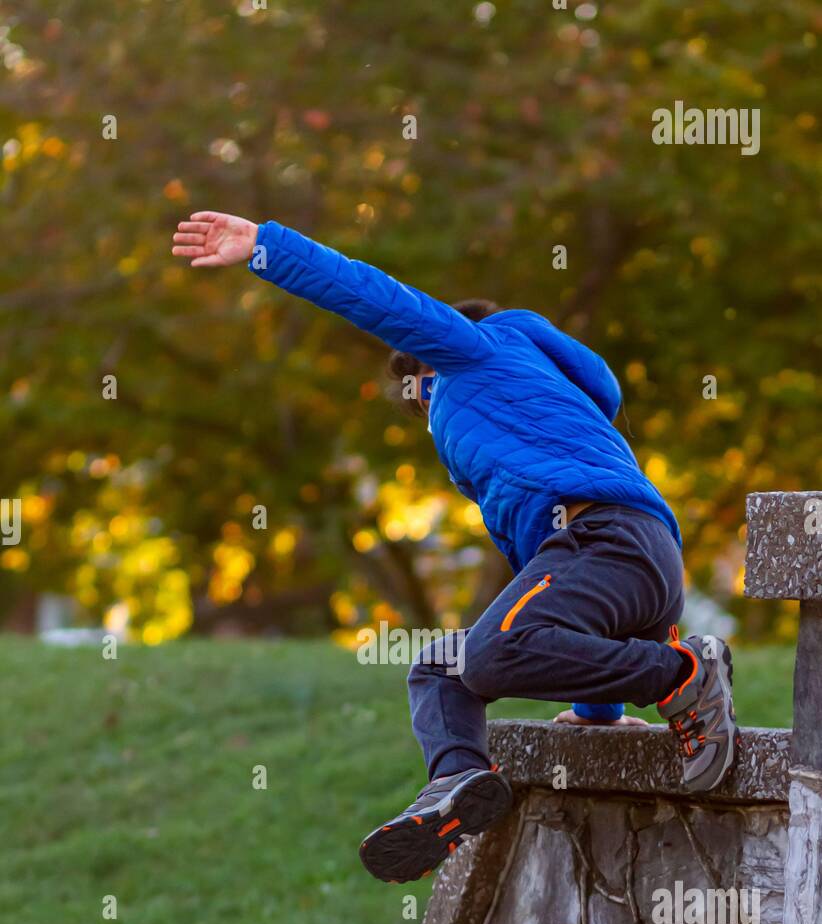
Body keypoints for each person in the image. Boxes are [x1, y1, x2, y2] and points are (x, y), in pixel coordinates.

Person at [172, 211, 738, 883]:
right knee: (439, 667)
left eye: (419, 405)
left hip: (606, 541)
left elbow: (372, 296)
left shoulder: (468, 349)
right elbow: (571, 611)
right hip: (629, 565)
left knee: (495, 654)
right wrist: (598, 718)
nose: (427, 421)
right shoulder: (549, 422)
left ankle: (682, 677)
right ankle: (458, 783)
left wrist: (266, 248)